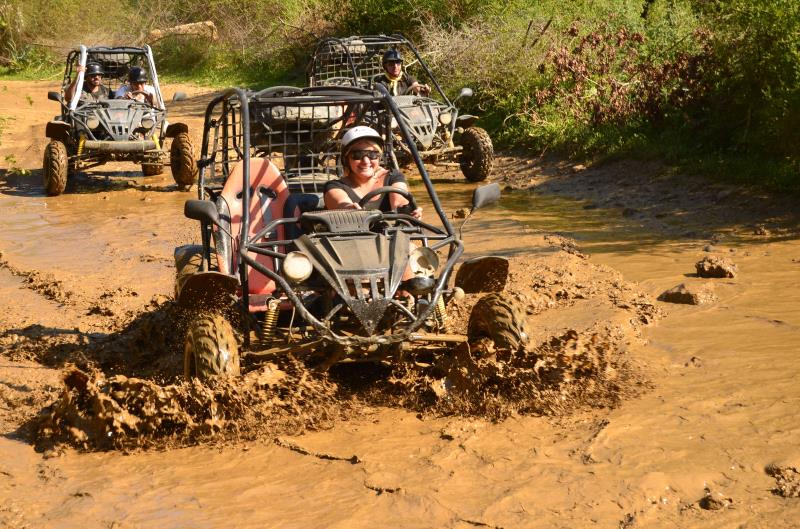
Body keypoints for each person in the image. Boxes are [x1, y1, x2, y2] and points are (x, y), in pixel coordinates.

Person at [323, 126, 422, 219]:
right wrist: (350, 210)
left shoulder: (393, 177)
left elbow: (399, 201)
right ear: (346, 159)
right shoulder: (334, 187)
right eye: (357, 154)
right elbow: (341, 203)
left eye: (372, 154)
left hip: (391, 234)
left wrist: (409, 212)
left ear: (379, 156)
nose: (366, 161)